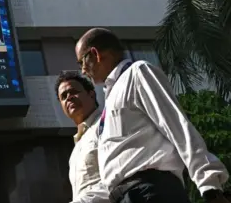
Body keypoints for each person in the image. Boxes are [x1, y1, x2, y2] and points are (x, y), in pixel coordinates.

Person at [75, 27, 229, 203]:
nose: (83, 71)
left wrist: (209, 185)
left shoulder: (137, 73)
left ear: (95, 54)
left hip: (152, 191)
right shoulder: (109, 101)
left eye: (81, 62)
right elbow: (116, 170)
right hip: (124, 196)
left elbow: (177, 125)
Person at [55, 71, 110, 203]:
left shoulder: (108, 123)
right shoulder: (76, 148)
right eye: (63, 96)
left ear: (91, 94)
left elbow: (117, 177)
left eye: (73, 91)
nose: (69, 98)